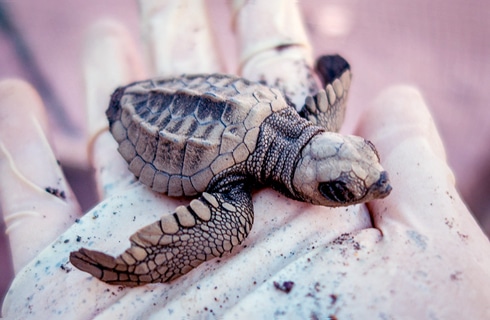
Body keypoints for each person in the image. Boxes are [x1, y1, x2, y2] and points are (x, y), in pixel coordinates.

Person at [1, 1, 489, 318]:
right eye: (340, 191)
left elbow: (331, 90)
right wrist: (129, 268)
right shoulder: (236, 200)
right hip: (148, 122)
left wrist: (334, 76)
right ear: (301, 186)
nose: (380, 185)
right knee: (228, 225)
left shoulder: (292, 116)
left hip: (201, 101)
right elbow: (331, 92)